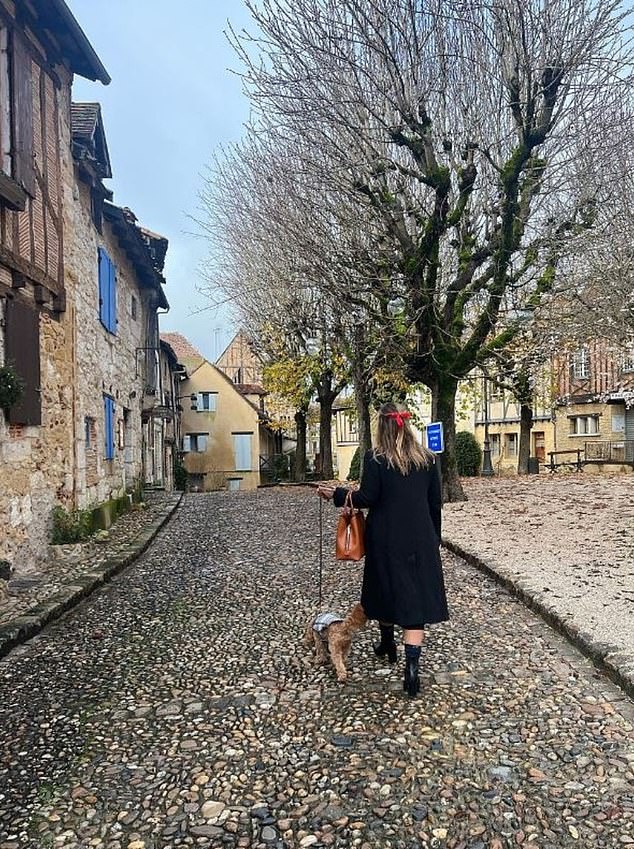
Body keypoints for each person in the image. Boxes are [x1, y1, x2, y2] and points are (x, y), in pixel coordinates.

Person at [317, 402, 449, 697]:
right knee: (414, 604)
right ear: (407, 425)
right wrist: (434, 540)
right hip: (420, 540)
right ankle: (411, 670)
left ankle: (388, 643)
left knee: (387, 591)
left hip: (386, 540)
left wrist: (336, 494)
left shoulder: (375, 459)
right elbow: (434, 505)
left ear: (382, 427)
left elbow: (367, 497)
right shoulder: (428, 459)